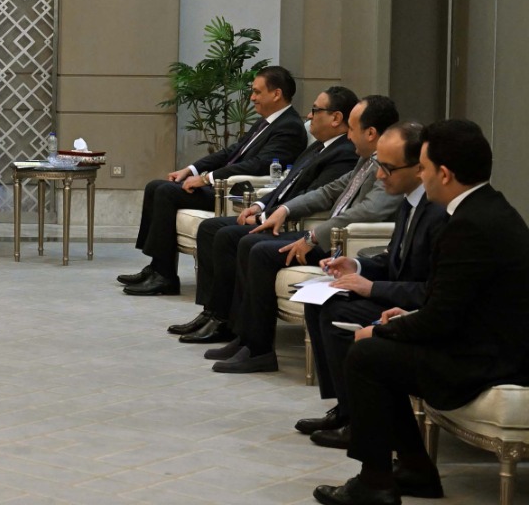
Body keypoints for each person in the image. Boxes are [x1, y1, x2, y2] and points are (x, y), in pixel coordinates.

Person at [311, 119, 529, 505]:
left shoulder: (468, 225)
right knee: (378, 351)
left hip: (488, 357)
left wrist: (382, 330)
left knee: (367, 354)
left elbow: (443, 318)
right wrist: (404, 317)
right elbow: (450, 298)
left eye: (424, 168)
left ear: (444, 174)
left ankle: (375, 482)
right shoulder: (486, 209)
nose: (421, 176)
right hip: (485, 342)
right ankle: (414, 469)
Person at [207, 95, 403, 374]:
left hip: (345, 243)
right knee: (248, 242)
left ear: (370, 133)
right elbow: (329, 191)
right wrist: (285, 209)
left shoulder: (388, 166)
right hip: (329, 235)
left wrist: (313, 236)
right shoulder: (366, 160)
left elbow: (369, 211)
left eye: (352, 128)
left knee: (261, 251)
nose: (348, 135)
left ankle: (260, 350)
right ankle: (245, 338)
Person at [294, 121, 445, 451]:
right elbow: (395, 260)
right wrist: (357, 266)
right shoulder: (409, 202)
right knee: (321, 301)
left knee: (338, 313)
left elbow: (429, 289)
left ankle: (359, 421)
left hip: (415, 307)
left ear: (419, 168)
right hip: (398, 294)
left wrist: (371, 288)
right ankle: (345, 408)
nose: (379, 175)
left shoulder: (439, 213)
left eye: (387, 168)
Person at [169, 86, 360, 343]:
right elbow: (286, 184)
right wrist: (259, 206)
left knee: (228, 236)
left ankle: (225, 321)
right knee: (211, 228)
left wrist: (265, 216)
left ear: (336, 118)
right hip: (275, 213)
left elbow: (313, 196)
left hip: (296, 224)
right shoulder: (319, 147)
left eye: (315, 110)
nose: (309, 115)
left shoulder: (344, 154)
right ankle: (212, 312)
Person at [122, 66, 308, 295]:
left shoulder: (289, 126)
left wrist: (207, 178)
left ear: (276, 94)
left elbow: (258, 164)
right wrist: (191, 169)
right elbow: (231, 153)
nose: (252, 97)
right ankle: (156, 266)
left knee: (166, 192)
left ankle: (165, 276)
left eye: (257, 92)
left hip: (236, 192)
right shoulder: (265, 122)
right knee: (155, 186)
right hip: (224, 185)